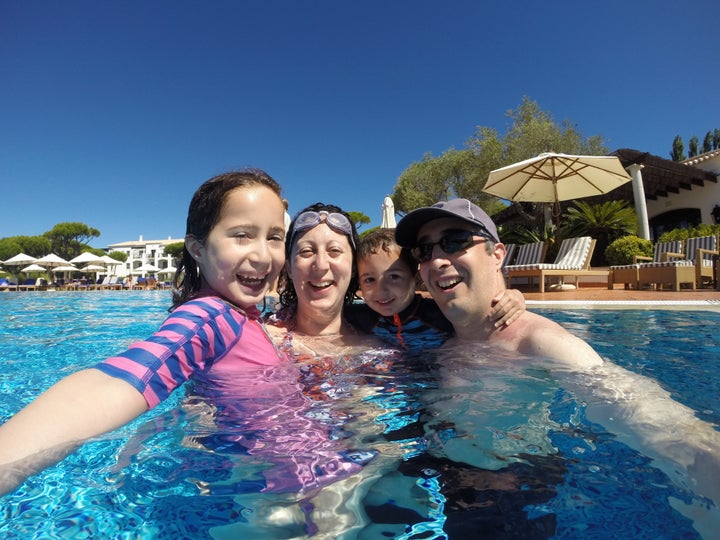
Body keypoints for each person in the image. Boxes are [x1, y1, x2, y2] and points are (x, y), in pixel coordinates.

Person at [394, 197, 720, 517]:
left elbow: (647, 415)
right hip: (445, 477)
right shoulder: (438, 337)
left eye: (454, 241)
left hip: (516, 489)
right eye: (425, 250)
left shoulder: (540, 342)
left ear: (497, 255)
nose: (436, 260)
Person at [0, 169, 306, 496]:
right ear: (198, 249)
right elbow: (120, 380)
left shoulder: (245, 316)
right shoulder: (209, 316)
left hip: (269, 473)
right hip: (281, 490)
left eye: (274, 237)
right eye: (242, 235)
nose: (262, 255)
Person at [346, 227, 526, 351]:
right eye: (369, 279)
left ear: (414, 278)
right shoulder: (361, 316)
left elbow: (478, 313)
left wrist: (515, 295)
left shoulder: (438, 314)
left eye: (394, 277)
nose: (381, 289)